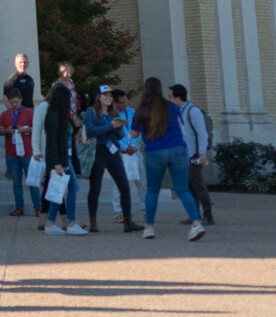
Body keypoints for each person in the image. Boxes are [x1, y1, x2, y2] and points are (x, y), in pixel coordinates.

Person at [131, 78, 204, 242]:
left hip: (154, 151)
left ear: (145, 89)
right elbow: (182, 128)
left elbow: (134, 134)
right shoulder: (171, 106)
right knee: (183, 190)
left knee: (152, 190)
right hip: (177, 149)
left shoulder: (141, 110)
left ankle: (149, 227)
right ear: (160, 89)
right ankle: (196, 223)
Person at [83, 85, 137, 234]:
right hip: (98, 151)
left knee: (124, 186)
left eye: (110, 96)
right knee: (95, 187)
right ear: (99, 97)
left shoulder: (114, 112)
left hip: (113, 150)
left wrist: (119, 127)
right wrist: (110, 126)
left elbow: (119, 135)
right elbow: (90, 131)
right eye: (105, 95)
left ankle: (127, 221)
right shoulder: (92, 112)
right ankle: (93, 221)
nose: (108, 98)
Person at [33, 82, 84, 235]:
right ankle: (70, 221)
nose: (72, 101)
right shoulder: (52, 114)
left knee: (58, 188)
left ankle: (50, 222)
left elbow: (68, 135)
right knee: (71, 187)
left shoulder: (63, 114)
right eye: (69, 98)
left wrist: (75, 126)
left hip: (65, 155)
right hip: (59, 158)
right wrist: (55, 162)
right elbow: (52, 140)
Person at [170, 84, 214, 225]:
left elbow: (202, 133)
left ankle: (208, 215)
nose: (169, 99)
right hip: (183, 155)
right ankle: (195, 214)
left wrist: (202, 153)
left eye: (171, 97)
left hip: (193, 155)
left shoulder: (192, 111)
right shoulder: (179, 112)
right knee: (189, 186)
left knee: (198, 185)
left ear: (178, 98)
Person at [0, 87, 33, 216]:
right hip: (11, 153)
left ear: (21, 100)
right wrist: (7, 130)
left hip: (27, 152)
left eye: (16, 102)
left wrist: (25, 130)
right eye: (11, 102)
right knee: (16, 182)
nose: (14, 105)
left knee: (32, 181)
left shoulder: (29, 113)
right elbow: (0, 131)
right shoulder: (5, 114)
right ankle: (19, 207)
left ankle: (38, 207)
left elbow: (37, 128)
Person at [3, 54, 36, 121]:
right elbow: (5, 99)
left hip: (30, 112)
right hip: (18, 114)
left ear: (28, 64)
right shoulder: (11, 80)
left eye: (25, 62)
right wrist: (14, 114)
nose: (23, 64)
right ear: (15, 64)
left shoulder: (30, 79)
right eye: (20, 62)